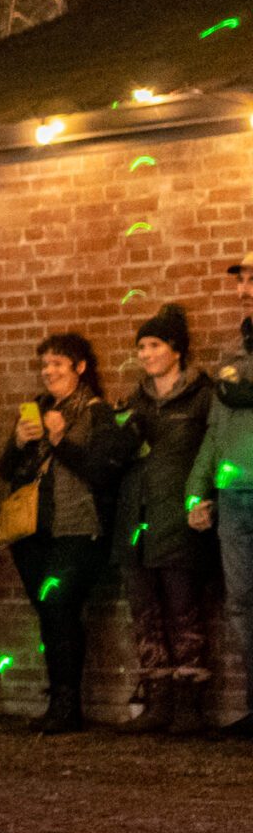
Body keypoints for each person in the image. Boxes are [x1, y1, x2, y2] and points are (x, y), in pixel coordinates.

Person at [0, 332, 133, 734]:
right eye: (45, 364)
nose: (49, 371)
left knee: (58, 607)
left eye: (58, 363)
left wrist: (59, 439)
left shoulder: (96, 412)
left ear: (80, 368)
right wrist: (20, 442)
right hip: (34, 530)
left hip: (77, 528)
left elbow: (102, 470)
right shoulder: (35, 409)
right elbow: (6, 470)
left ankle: (66, 703)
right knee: (49, 613)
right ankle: (59, 697)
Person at [113, 304, 219, 734]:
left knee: (184, 610)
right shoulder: (134, 401)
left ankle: (190, 707)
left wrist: (205, 500)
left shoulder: (202, 395)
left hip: (178, 517)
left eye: (154, 345)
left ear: (176, 349)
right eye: (141, 346)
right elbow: (115, 457)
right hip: (134, 518)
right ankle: (157, 702)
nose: (145, 354)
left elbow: (212, 451)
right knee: (145, 612)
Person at [189, 252, 253, 736]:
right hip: (235, 497)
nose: (244, 288)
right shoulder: (234, 358)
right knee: (240, 602)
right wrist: (197, 492)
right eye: (242, 279)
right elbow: (215, 430)